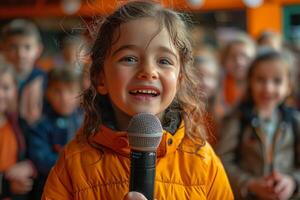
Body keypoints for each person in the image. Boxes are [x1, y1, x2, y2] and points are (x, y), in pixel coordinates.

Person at [42, 1, 233, 199]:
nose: (148, 71)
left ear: (179, 80)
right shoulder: (74, 163)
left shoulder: (203, 162)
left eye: (164, 61)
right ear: (101, 78)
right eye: (129, 58)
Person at [216, 49, 300, 199]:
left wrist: (293, 182)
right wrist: (250, 184)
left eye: (277, 81)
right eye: (260, 80)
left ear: (289, 87)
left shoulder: (294, 120)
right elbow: (222, 162)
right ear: (250, 82)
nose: (268, 88)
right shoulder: (237, 119)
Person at [27, 67, 83, 200]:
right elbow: (42, 160)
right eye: (57, 91)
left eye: (70, 91)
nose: (64, 97)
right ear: (47, 93)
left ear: (80, 94)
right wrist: (75, 164)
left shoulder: (86, 121)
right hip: (49, 190)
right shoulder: (41, 125)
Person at [0, 61, 36, 199]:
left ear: (15, 89)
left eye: (6, 87)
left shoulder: (18, 124)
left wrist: (31, 166)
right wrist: (6, 186)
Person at [1, 19, 46, 126]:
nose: (20, 54)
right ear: (2, 48)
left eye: (27, 47)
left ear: (38, 50)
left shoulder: (45, 80)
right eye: (13, 47)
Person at [218, 32, 256, 119]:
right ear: (224, 60)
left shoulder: (261, 86)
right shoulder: (218, 85)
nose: (239, 62)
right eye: (233, 56)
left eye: (245, 56)